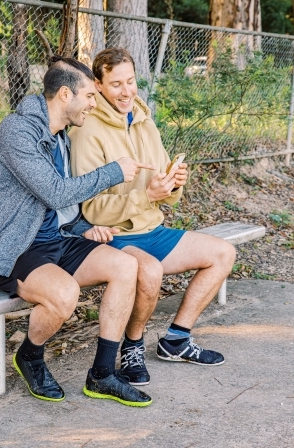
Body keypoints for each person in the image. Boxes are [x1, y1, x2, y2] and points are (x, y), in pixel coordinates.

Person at [0, 55, 155, 407]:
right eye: (89, 95)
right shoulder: (17, 133)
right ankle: (30, 356)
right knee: (65, 294)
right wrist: (114, 171)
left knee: (126, 267)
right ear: (64, 95)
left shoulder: (60, 136)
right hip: (16, 249)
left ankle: (103, 374)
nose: (94, 102)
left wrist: (83, 227)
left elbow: (60, 204)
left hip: (57, 240)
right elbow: (54, 192)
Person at [69, 47, 236, 387]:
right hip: (115, 237)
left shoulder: (144, 120)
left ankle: (176, 339)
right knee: (150, 270)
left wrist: (172, 183)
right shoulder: (86, 131)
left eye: (130, 81)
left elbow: (164, 189)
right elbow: (90, 209)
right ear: (98, 87)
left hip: (152, 228)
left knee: (223, 253)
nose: (127, 91)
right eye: (116, 84)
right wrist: (146, 196)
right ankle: (132, 346)